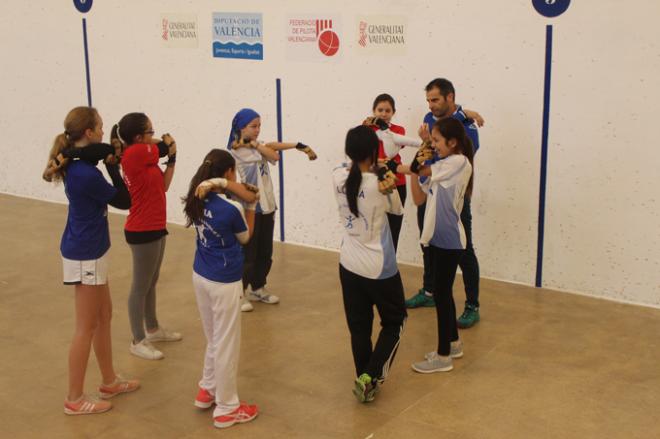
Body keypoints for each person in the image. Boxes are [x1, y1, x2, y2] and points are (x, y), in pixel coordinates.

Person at [43, 106, 139, 415]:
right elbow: (124, 201)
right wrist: (114, 166)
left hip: (92, 249)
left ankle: (109, 379)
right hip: (85, 253)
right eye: (99, 127)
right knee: (85, 327)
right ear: (89, 132)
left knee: (105, 314)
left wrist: (106, 158)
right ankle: (74, 398)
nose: (102, 131)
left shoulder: (80, 164)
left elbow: (89, 154)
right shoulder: (85, 174)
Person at [183, 149, 260, 429]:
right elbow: (245, 237)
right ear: (228, 173)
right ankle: (227, 408)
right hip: (224, 281)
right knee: (226, 342)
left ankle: (207, 389)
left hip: (200, 275)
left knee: (214, 337)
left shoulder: (196, 196)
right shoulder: (232, 209)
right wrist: (251, 207)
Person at [332, 125, 407, 402]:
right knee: (395, 320)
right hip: (379, 267)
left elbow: (347, 166)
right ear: (375, 152)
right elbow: (398, 210)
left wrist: (374, 167)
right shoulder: (381, 185)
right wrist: (384, 173)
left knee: (359, 327)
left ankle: (363, 377)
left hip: (348, 264)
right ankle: (371, 375)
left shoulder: (337, 176)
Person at [396, 117, 474, 373]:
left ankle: (442, 357)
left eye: (438, 141)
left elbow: (420, 168)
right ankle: (452, 343)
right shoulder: (444, 164)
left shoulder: (458, 161)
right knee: (443, 292)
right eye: (435, 141)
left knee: (441, 295)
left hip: (449, 239)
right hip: (438, 238)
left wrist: (423, 146)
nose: (435, 145)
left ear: (452, 142)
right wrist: (403, 166)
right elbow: (419, 194)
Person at [405, 78, 483, 330]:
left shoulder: (467, 126)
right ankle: (430, 293)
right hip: (430, 190)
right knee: (428, 243)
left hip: (452, 199)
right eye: (428, 100)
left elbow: (458, 156)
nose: (430, 105)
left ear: (450, 97)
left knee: (464, 251)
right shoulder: (429, 119)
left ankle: (472, 305)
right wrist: (426, 145)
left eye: (435, 99)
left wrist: (463, 114)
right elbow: (430, 152)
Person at [227, 108, 317, 312]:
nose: (258, 130)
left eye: (259, 125)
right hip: (251, 209)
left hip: (268, 207)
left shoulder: (255, 147)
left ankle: (258, 287)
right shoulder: (238, 151)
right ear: (241, 127)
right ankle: (240, 293)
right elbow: (273, 154)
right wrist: (257, 144)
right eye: (253, 126)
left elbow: (272, 147)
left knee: (265, 252)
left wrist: (297, 145)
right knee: (248, 254)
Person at [113, 112, 182, 360]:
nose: (154, 135)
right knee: (139, 287)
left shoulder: (146, 159)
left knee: (152, 281)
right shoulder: (135, 153)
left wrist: (172, 161)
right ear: (138, 136)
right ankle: (137, 339)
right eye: (150, 132)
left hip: (155, 225)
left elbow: (163, 186)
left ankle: (152, 329)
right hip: (142, 229)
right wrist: (168, 146)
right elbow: (165, 145)